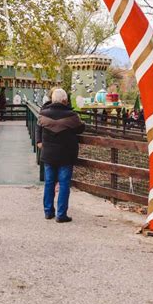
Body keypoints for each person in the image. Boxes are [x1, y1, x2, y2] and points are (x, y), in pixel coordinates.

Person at [36, 88, 85, 222]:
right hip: (66, 154)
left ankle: (48, 211)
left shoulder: (43, 114)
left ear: (52, 99)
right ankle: (61, 214)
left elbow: (38, 127)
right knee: (64, 184)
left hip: (49, 154)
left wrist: (39, 141)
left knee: (49, 183)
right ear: (65, 100)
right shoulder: (71, 115)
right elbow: (80, 128)